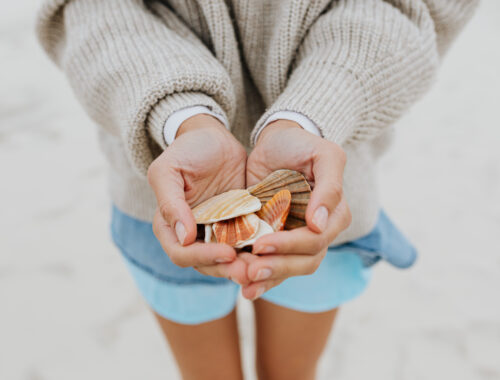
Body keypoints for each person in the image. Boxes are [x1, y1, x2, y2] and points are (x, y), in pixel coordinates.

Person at [36, 1, 478, 379]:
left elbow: (413, 9)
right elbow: (92, 11)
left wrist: (313, 113)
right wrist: (181, 115)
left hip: (316, 191)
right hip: (170, 193)